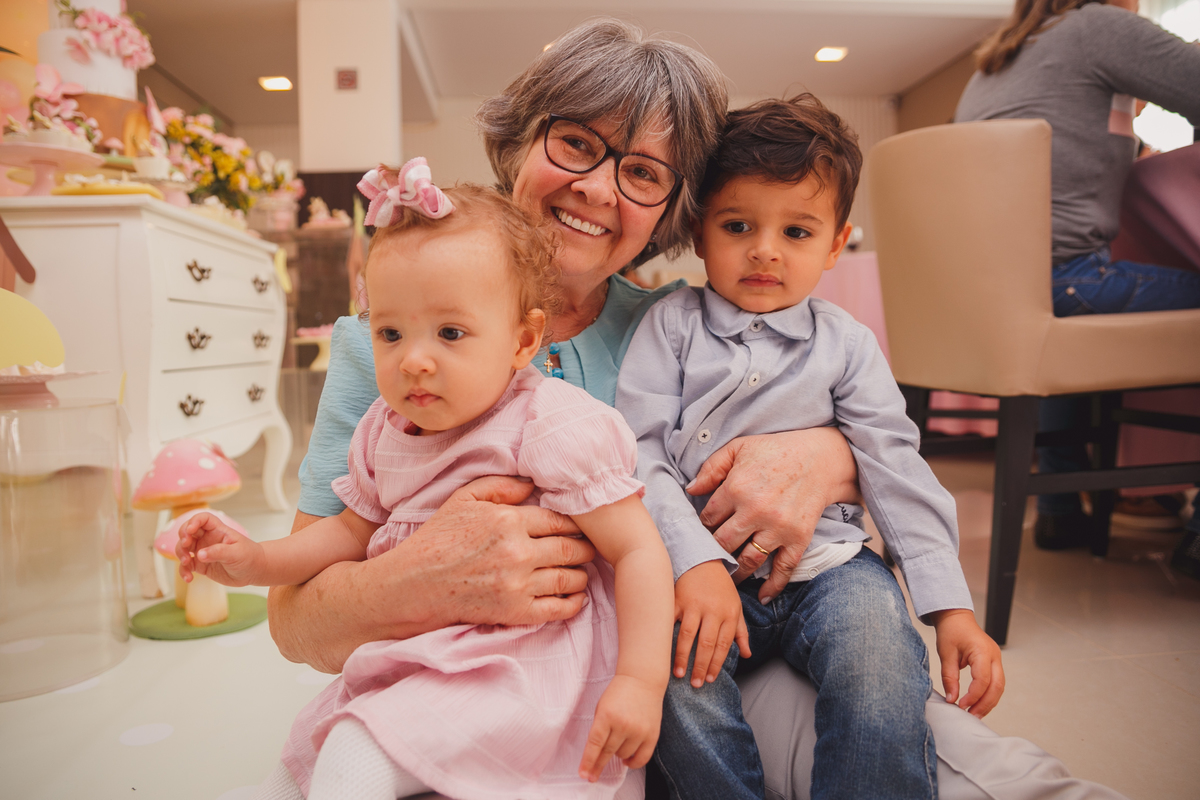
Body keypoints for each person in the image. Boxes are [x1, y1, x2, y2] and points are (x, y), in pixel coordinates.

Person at [274, 17, 1132, 800]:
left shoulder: (676, 328)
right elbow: (297, 624)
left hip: (713, 647)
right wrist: (425, 578)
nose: (599, 189)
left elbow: (861, 434)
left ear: (672, 214)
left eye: (641, 173)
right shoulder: (390, 351)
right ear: (518, 145)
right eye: (575, 143)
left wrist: (829, 457)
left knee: (980, 765)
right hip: (513, 692)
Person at [175, 167, 674, 800]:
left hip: (516, 671)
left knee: (354, 755)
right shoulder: (385, 431)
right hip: (418, 661)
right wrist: (254, 562)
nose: (414, 358)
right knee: (289, 772)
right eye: (390, 332)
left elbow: (636, 549)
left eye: (450, 333)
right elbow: (347, 531)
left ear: (523, 340)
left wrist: (638, 681)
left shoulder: (548, 424)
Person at [616, 95, 1004, 799]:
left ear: (835, 243)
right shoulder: (670, 327)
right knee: (671, 684)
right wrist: (693, 565)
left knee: (881, 666)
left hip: (833, 567)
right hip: (702, 575)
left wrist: (952, 609)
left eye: (797, 231)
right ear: (700, 232)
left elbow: (895, 464)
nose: (765, 249)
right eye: (738, 225)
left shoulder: (848, 344)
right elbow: (638, 454)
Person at [955, 0, 1200, 566]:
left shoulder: (996, 62)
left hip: (1000, 293)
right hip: (1063, 279)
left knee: (1064, 313)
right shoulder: (1097, 26)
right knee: (1077, 289)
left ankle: (1062, 514)